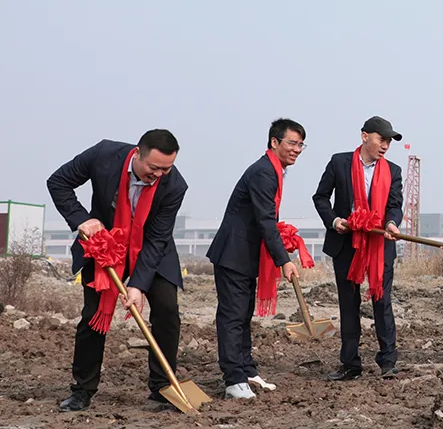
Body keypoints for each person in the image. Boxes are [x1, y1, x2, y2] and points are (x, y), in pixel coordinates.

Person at [47, 130, 187, 412]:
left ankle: (163, 388)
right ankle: (82, 390)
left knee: (167, 310)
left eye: (166, 169)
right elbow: (58, 182)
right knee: (94, 315)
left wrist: (138, 284)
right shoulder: (103, 155)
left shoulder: (174, 185)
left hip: (150, 248)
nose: (159, 175)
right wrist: (82, 219)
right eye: (154, 167)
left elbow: (158, 238)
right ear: (137, 153)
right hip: (105, 244)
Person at [207, 119, 305, 399]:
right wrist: (283, 260)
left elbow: (266, 221)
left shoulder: (272, 171)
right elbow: (265, 220)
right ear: (274, 142)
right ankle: (233, 379)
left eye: (301, 145)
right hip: (233, 254)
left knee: (243, 314)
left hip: (245, 255)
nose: (297, 149)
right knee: (232, 316)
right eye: (292, 143)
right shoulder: (263, 172)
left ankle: (246, 369)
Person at [312, 116, 405, 381]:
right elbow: (320, 197)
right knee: (348, 303)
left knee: (382, 301)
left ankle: (388, 361)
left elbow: (395, 205)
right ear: (365, 136)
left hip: (379, 244)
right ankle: (350, 363)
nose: (385, 146)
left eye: (389, 142)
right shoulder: (339, 162)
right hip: (346, 243)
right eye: (381, 139)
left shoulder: (393, 171)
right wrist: (334, 221)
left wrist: (391, 223)